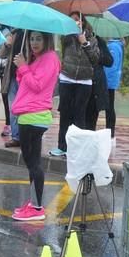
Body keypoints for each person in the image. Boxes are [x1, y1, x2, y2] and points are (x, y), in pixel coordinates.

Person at [10, 31, 60, 221]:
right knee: (32, 162)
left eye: (39, 38)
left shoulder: (50, 58)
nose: (34, 42)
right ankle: (34, 202)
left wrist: (23, 68)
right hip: (28, 115)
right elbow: (26, 84)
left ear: (47, 39)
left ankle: (37, 207)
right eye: (31, 39)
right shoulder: (38, 59)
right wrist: (22, 67)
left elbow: (38, 85)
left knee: (33, 164)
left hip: (34, 116)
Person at [49, 13, 99, 157]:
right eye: (72, 19)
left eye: (77, 19)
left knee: (79, 115)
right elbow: (64, 44)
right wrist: (73, 32)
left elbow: (95, 59)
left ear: (83, 21)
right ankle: (62, 146)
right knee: (65, 113)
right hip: (67, 78)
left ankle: (77, 148)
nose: (75, 22)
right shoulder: (67, 37)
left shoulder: (92, 38)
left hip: (84, 81)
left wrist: (85, 43)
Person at [0, 29, 25, 148]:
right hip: (12, 77)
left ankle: (25, 137)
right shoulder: (13, 33)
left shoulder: (32, 34)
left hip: (26, 77)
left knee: (25, 109)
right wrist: (7, 44)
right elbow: (1, 55)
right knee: (13, 108)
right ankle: (16, 137)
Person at [84, 33, 113, 131]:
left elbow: (109, 61)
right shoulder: (71, 38)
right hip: (78, 85)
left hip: (95, 87)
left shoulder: (98, 41)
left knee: (90, 124)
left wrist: (96, 55)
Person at [103, 38, 125, 143]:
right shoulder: (115, 45)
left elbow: (111, 66)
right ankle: (109, 132)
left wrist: (105, 81)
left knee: (109, 108)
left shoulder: (113, 46)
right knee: (109, 107)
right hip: (111, 81)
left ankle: (110, 133)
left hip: (109, 81)